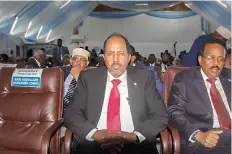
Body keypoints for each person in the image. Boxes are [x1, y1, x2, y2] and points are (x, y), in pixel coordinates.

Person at [64, 33, 168, 154]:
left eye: (121, 54)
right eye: (110, 54)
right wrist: (95, 134)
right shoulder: (88, 78)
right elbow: (72, 113)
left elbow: (160, 116)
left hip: (135, 145)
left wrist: (133, 136)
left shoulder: (144, 78)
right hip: (94, 144)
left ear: (129, 57)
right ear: (104, 57)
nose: (115, 59)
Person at [168, 38, 231, 154]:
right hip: (204, 139)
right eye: (210, 58)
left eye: (220, 59)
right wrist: (197, 134)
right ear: (200, 59)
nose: (216, 64)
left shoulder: (228, 80)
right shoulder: (185, 79)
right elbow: (173, 111)